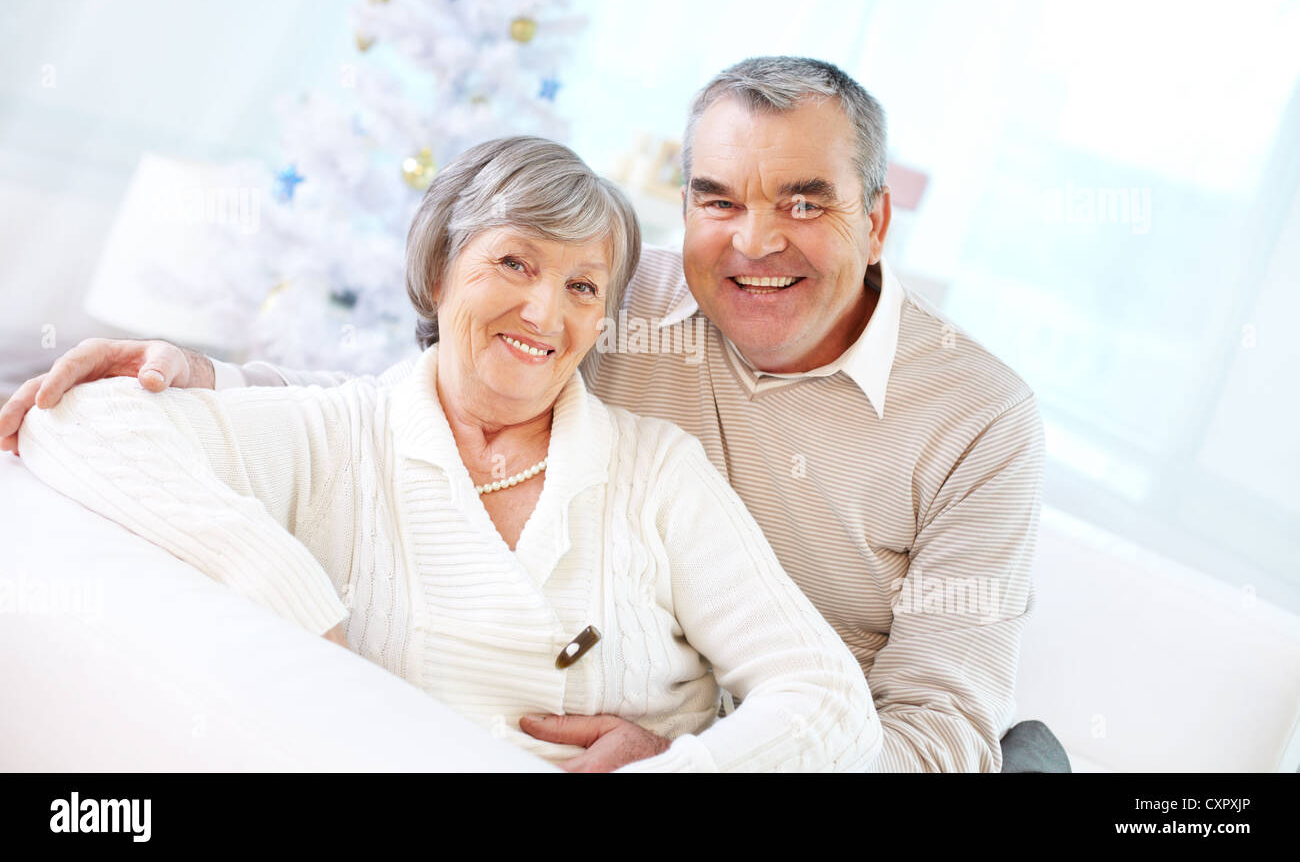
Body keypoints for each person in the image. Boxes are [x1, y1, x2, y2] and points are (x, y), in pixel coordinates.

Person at [3, 56, 1069, 772]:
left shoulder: (977, 415)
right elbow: (412, 404)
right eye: (717, 199)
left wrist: (690, 755)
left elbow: (932, 731)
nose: (754, 243)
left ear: (876, 218)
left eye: (804, 200)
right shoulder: (621, 292)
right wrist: (201, 379)